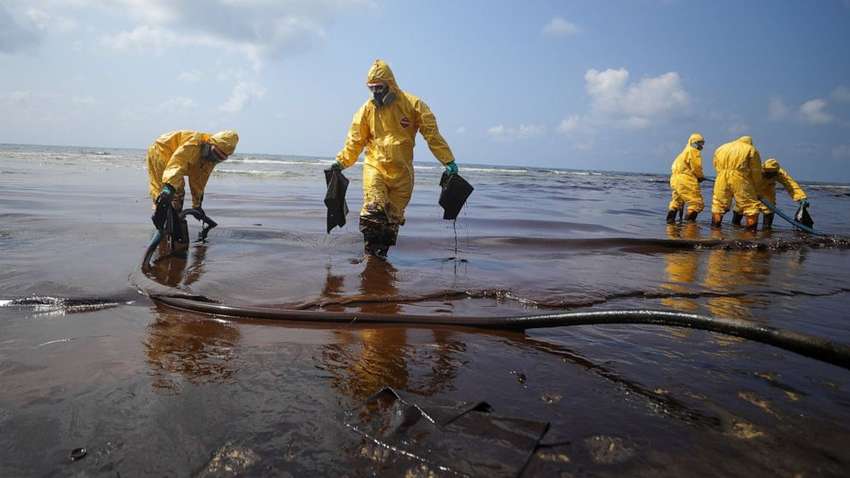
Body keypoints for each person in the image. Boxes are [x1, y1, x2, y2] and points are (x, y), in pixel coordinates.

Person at [332, 59, 459, 257]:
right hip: (376, 166)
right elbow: (355, 140)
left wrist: (448, 160)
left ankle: (379, 260)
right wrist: (341, 161)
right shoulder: (366, 110)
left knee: (391, 221)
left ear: (390, 84)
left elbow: (431, 134)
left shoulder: (413, 105)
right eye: (371, 88)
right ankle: (369, 254)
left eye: (379, 87)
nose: (376, 92)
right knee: (374, 210)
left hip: (402, 173)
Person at [146, 130, 239, 218]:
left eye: (219, 158)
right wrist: (169, 187)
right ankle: (161, 222)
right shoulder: (194, 142)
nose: (213, 159)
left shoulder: (210, 160)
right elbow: (178, 163)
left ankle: (175, 219)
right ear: (210, 144)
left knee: (178, 194)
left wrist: (197, 205)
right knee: (165, 192)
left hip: (174, 161)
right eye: (214, 154)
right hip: (161, 151)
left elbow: (199, 180)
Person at [732, 158, 808, 228]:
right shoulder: (755, 170)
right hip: (751, 188)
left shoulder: (780, 173)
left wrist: (801, 198)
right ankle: (735, 226)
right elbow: (740, 181)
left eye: (771, 174)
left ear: (775, 172)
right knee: (741, 207)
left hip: (767, 189)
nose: (768, 175)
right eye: (766, 173)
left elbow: (791, 185)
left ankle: (766, 230)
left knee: (769, 209)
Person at [710, 136, 764, 230]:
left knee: (718, 205)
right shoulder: (750, 149)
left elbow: (715, 164)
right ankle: (750, 236)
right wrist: (757, 190)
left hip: (721, 177)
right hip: (740, 177)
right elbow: (756, 171)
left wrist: (723, 174)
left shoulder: (721, 148)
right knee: (750, 207)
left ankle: (715, 233)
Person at [666, 133, 706, 223]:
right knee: (696, 203)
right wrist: (700, 177)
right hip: (685, 179)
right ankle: (689, 228)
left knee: (677, 201)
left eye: (702, 143)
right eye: (699, 143)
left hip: (674, 179)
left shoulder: (683, 152)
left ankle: (670, 222)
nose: (700, 145)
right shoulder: (693, 151)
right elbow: (696, 167)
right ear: (692, 142)